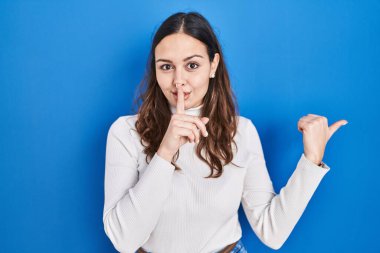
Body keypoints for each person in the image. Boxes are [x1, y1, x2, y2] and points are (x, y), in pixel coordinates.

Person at [102, 11, 348, 253]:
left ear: (213, 65)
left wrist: (311, 163)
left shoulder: (241, 131)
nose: (178, 79)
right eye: (166, 66)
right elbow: (124, 242)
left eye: (192, 65)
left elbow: (272, 232)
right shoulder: (125, 132)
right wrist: (165, 152)